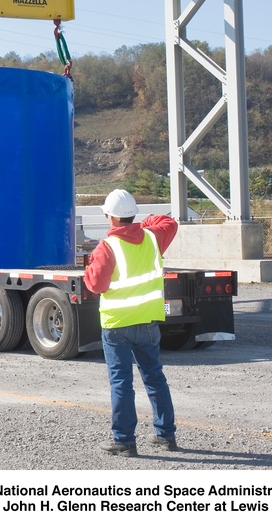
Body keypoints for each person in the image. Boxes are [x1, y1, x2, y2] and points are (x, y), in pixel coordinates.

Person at [83, 189, 180, 457]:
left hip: (117, 325)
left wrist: (89, 269)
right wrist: (146, 222)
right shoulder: (152, 238)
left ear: (109, 217)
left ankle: (124, 441)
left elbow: (96, 284)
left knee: (121, 383)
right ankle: (166, 435)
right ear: (132, 214)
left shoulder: (106, 247)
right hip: (147, 322)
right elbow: (169, 222)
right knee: (155, 378)